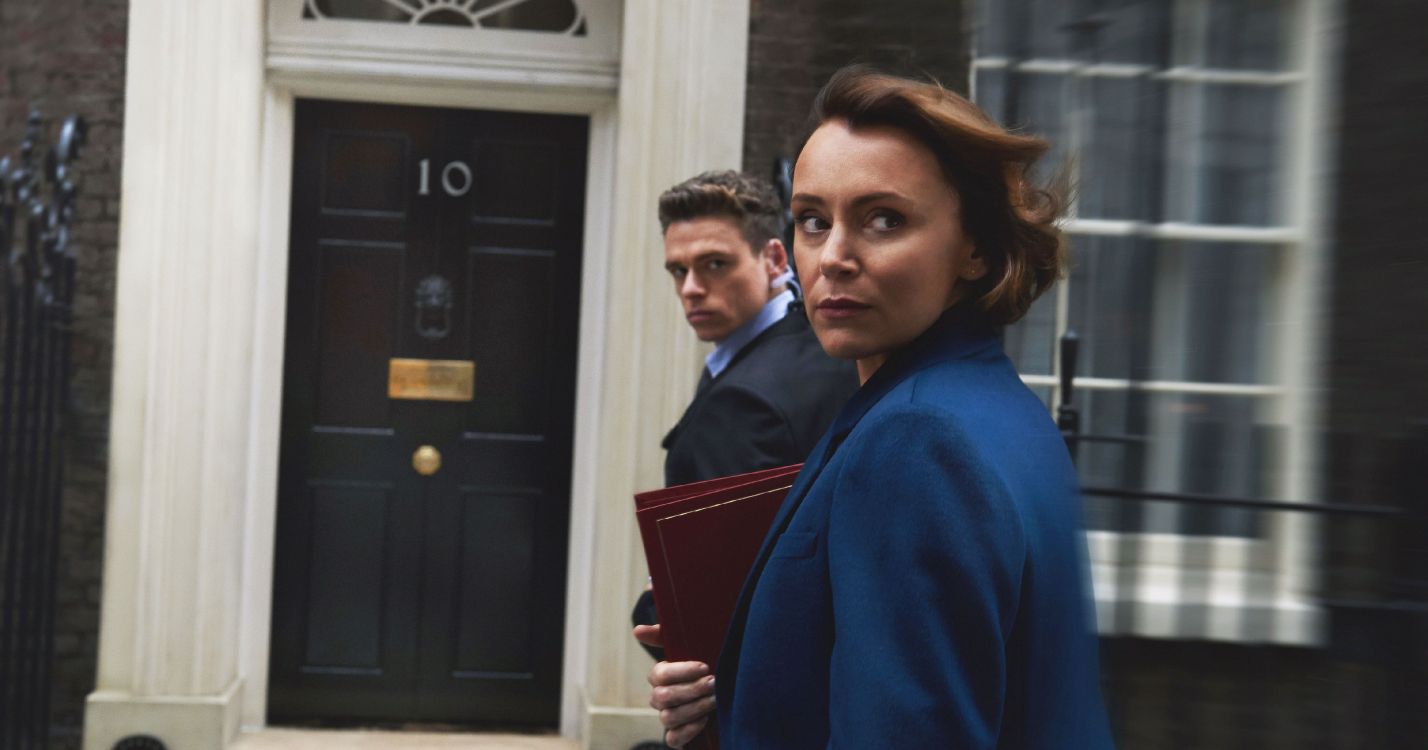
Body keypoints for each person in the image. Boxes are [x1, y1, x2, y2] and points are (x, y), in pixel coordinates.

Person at [641, 68, 1115, 748]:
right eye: (812, 220)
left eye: (883, 219)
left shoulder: (918, 441)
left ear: (975, 247)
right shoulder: (994, 405)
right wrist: (731, 708)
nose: (832, 257)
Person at [631, 171, 859, 660]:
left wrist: (653, 615)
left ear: (775, 259)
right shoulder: (829, 347)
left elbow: (720, 602)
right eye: (678, 270)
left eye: (715, 264)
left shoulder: (744, 405)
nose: (692, 288)